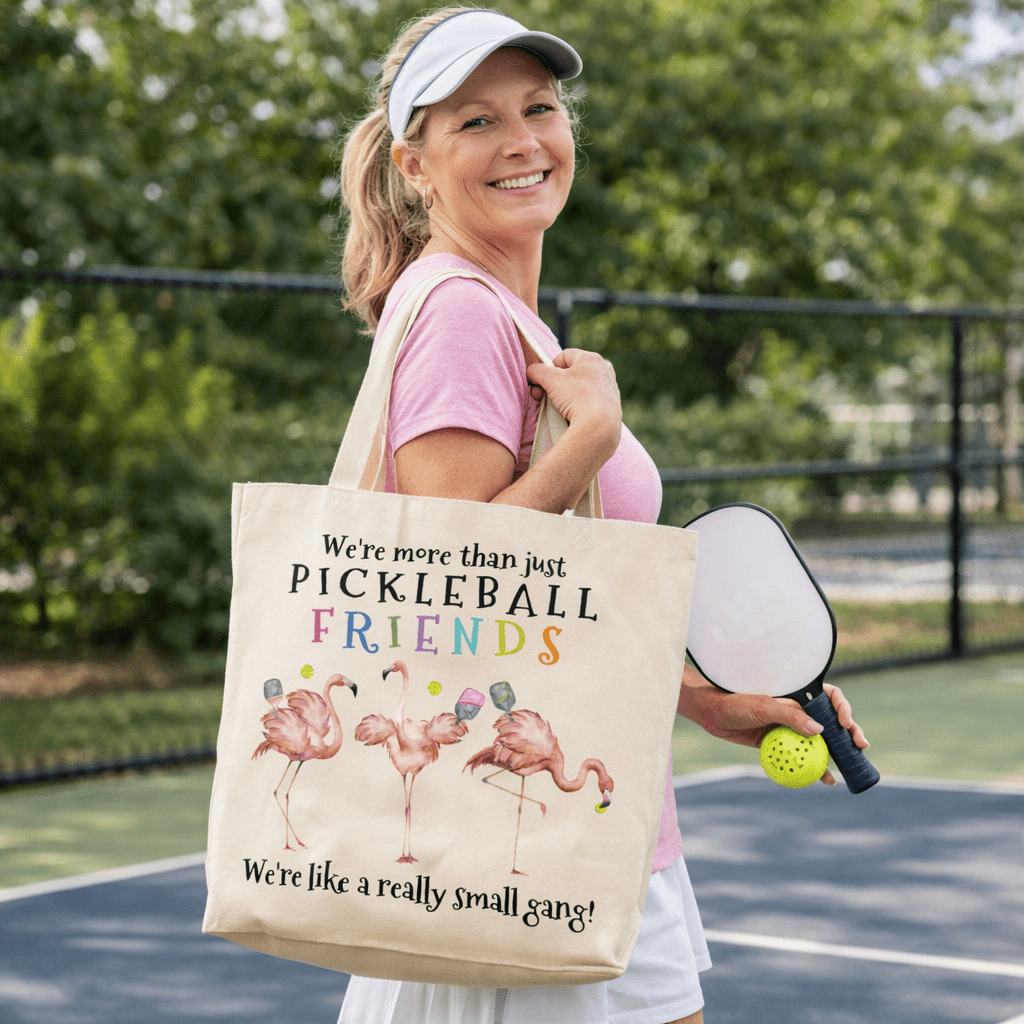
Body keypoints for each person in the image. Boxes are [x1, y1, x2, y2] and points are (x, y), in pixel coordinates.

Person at [335, 8, 870, 1024]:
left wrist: (706, 703)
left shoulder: (509, 315)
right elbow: (458, 579)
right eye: (476, 123)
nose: (523, 140)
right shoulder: (455, 312)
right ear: (415, 164)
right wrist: (589, 440)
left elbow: (552, 612)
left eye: (538, 108)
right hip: (511, 841)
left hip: (595, 819)